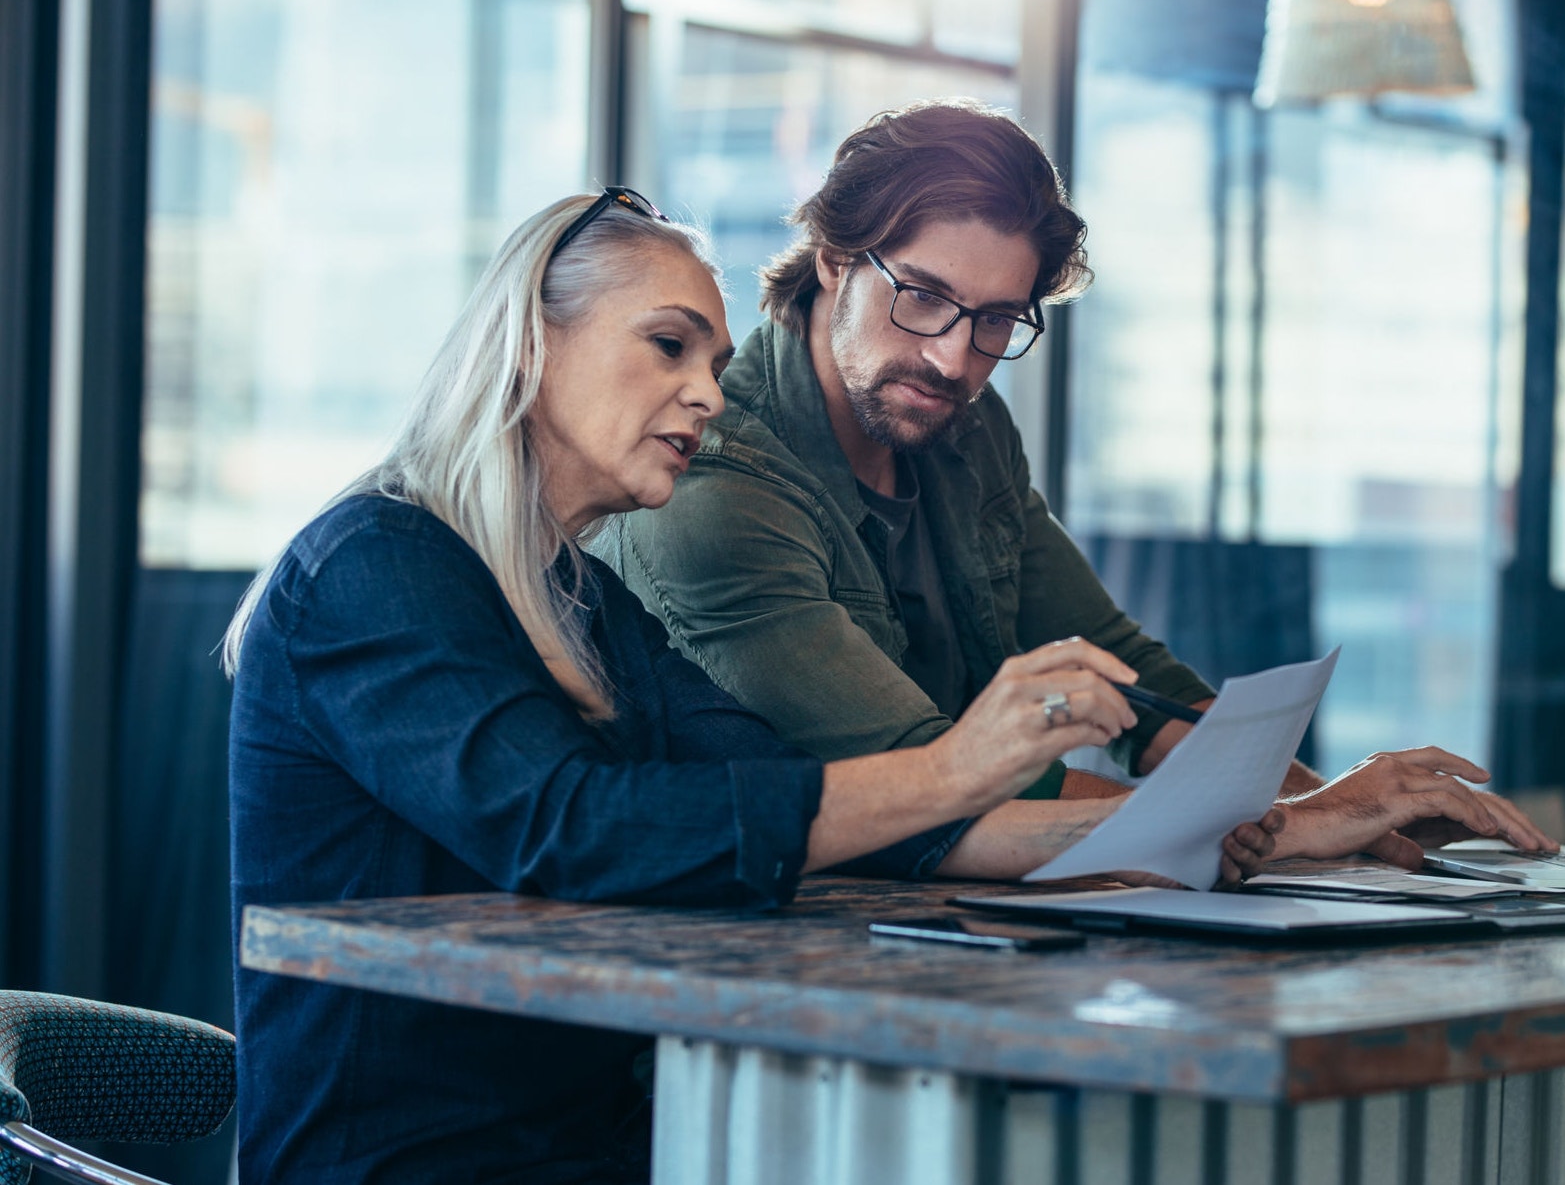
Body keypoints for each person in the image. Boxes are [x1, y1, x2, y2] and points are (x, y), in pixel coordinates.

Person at [224, 189, 1291, 1184]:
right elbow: (567, 828)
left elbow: (799, 794)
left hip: (598, 1144)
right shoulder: (377, 565)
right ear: (530, 340)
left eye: (716, 360)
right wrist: (957, 766)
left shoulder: (584, 598)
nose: (705, 393)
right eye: (668, 345)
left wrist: (1170, 833)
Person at [598, 98, 1556, 874]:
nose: (952, 358)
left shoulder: (963, 426)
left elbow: (1128, 679)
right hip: (749, 941)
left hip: (948, 920)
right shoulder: (712, 480)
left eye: (994, 320)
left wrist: (1348, 819)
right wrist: (1306, 823)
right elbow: (925, 775)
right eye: (923, 297)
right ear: (836, 260)